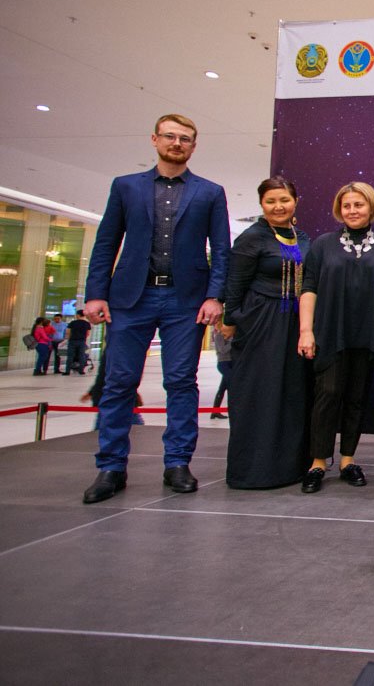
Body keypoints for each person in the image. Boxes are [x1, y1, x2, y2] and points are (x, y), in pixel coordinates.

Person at [81, 114, 230, 504]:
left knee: (181, 382)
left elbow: (221, 251)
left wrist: (215, 296)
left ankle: (177, 463)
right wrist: (96, 293)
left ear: (194, 146)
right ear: (155, 139)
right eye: (170, 136)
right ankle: (111, 467)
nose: (177, 143)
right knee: (119, 382)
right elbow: (106, 242)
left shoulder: (210, 192)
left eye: (185, 138)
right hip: (131, 298)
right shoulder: (126, 186)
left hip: (186, 301)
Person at [299, 181, 374, 493]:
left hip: (369, 333)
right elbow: (309, 287)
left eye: (359, 204)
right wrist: (305, 330)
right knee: (327, 395)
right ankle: (318, 462)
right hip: (330, 332)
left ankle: (348, 460)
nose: (353, 210)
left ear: (371, 207)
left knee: (357, 398)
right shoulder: (322, 245)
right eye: (347, 205)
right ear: (339, 210)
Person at [221, 176, 312, 488]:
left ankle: (290, 468)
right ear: (261, 204)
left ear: (295, 201)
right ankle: (254, 471)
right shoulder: (252, 238)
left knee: (291, 392)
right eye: (270, 201)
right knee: (259, 392)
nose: (278, 206)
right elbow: (235, 283)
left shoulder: (302, 236)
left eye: (284, 200)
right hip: (260, 322)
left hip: (295, 323)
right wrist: (232, 320)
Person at [210, 319, 232, 419]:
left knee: (222, 388)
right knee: (232, 386)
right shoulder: (219, 335)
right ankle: (231, 410)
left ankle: (215, 411)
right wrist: (233, 342)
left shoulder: (230, 335)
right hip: (223, 363)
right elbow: (222, 350)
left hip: (230, 363)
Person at [65, 310, 92, 375]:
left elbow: (68, 332)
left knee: (70, 356)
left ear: (78, 315)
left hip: (72, 341)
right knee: (81, 356)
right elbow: (88, 333)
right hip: (82, 341)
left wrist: (69, 338)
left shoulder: (72, 323)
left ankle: (67, 371)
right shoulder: (87, 324)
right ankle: (81, 370)